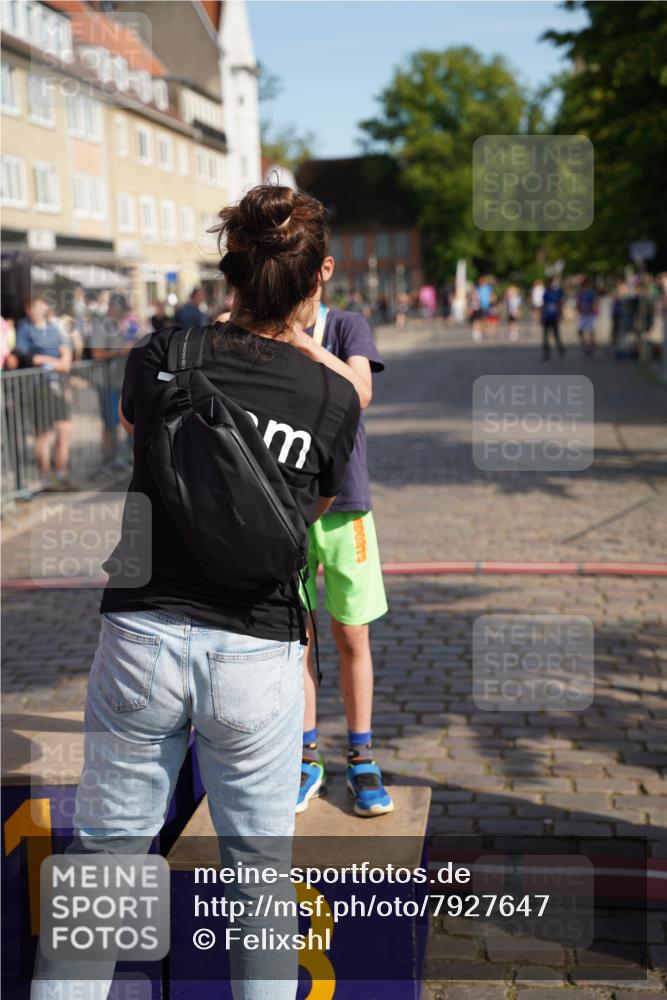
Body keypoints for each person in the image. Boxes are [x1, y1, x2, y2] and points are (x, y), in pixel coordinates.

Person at [31, 185, 361, 1000]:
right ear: (321, 275)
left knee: (105, 866)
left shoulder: (159, 356)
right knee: (258, 882)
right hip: (257, 646)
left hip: (142, 634)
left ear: (231, 269)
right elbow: (305, 513)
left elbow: (143, 444)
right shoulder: (333, 396)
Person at [297, 260, 391, 818]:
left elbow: (360, 392)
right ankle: (306, 755)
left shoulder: (347, 325)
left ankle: (361, 756)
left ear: (322, 269)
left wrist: (305, 346)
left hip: (346, 505)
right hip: (287, 507)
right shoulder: (263, 325)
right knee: (298, 640)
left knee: (351, 634)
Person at [15, 296, 73, 490]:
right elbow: (29, 356)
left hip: (57, 385)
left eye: (40, 305)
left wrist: (61, 361)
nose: (37, 310)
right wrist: (55, 362)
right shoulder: (24, 328)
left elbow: (65, 352)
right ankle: (46, 478)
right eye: (33, 307)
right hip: (37, 386)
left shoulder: (53, 328)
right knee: (44, 434)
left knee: (64, 430)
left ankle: (60, 474)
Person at [89, 293, 132, 469]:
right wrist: (121, 351)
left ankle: (119, 456)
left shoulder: (120, 325)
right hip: (106, 382)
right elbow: (96, 353)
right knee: (110, 422)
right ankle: (109, 458)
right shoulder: (101, 326)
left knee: (121, 420)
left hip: (120, 382)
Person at [541, 278, 565, 360]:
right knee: (546, 334)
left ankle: (560, 348)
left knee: (556, 333)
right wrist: (542, 316)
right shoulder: (546, 293)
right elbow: (544, 305)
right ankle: (546, 351)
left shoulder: (557, 292)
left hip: (554, 315)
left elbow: (559, 304)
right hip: (547, 316)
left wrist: (559, 315)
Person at [577, 277, 598, 356]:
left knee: (590, 330)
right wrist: (579, 309)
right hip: (583, 314)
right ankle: (585, 345)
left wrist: (594, 311)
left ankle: (591, 345)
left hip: (590, 314)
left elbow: (594, 303)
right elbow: (578, 302)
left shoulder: (591, 293)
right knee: (580, 330)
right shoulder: (581, 293)